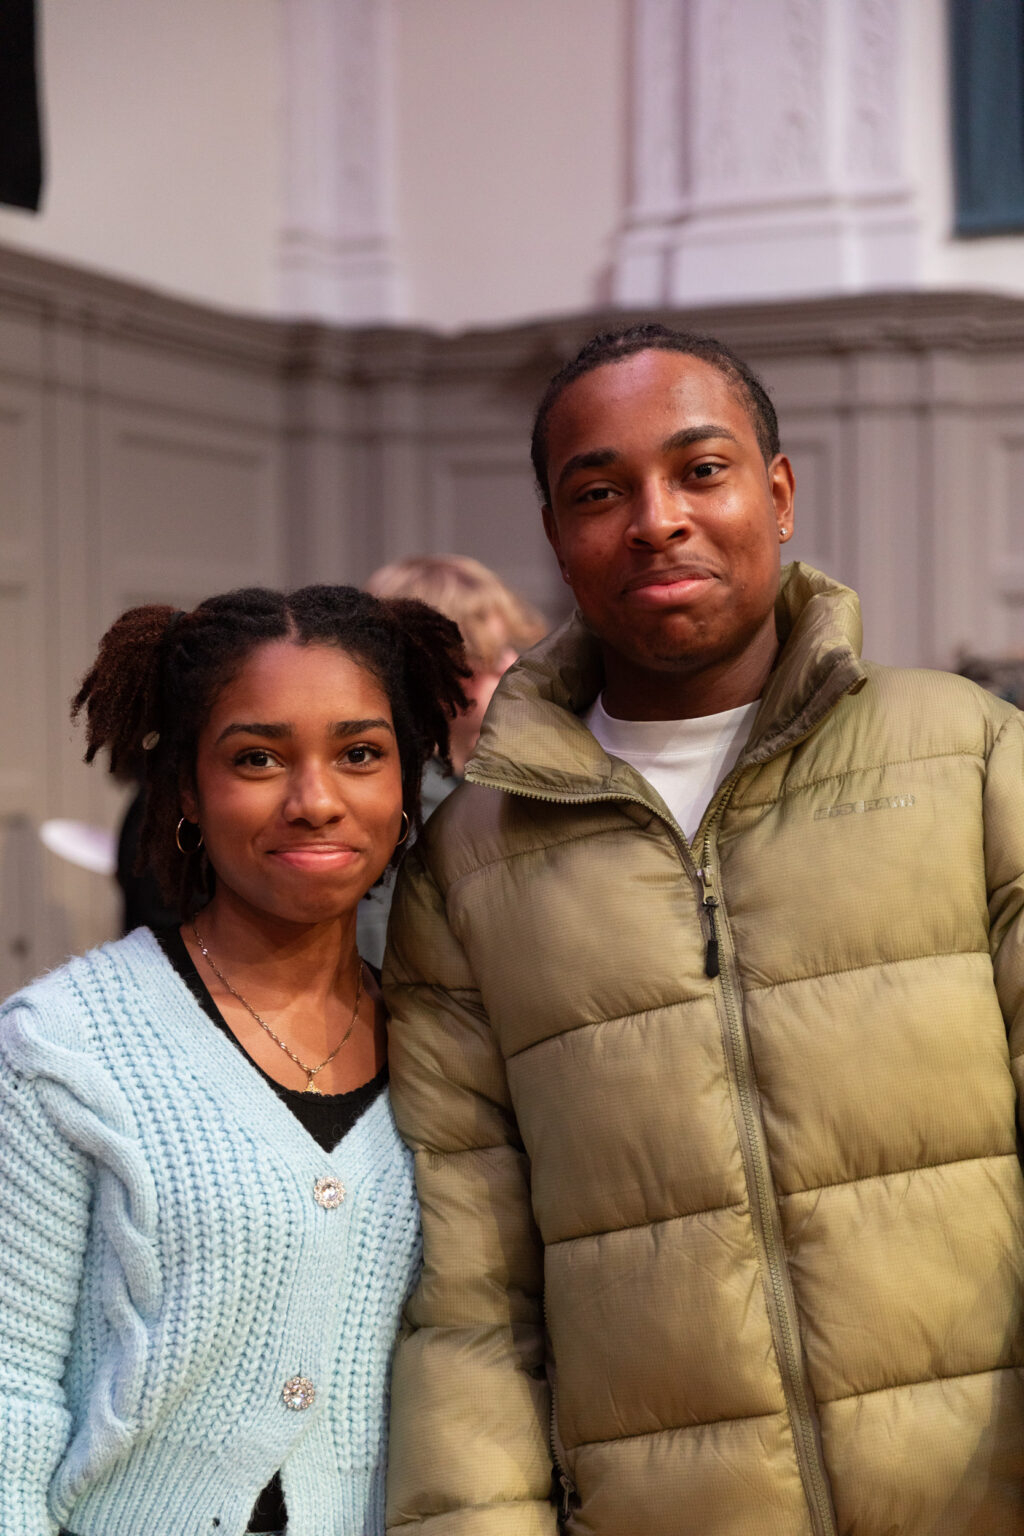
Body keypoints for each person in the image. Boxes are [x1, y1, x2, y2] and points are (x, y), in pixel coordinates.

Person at [383, 324, 1024, 1535]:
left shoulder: (972, 757)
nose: (656, 519)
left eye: (701, 470)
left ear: (776, 496)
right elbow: (470, 1301)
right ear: (556, 538)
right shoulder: (468, 864)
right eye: (598, 492)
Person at [0, 584, 467, 1536]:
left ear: (407, 780)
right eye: (257, 758)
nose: (315, 801)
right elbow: (11, 1388)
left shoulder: (450, 1049)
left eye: (359, 754)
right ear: (185, 788)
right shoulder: (63, 1045)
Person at [357, 555, 546, 967]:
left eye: (506, 648)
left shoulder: (475, 780)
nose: (509, 665)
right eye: (485, 656)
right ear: (425, 666)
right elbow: (380, 942)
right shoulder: (399, 795)